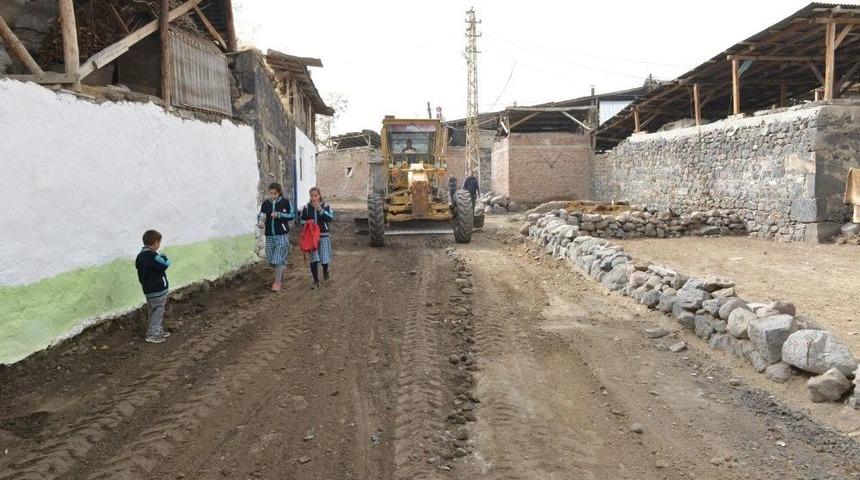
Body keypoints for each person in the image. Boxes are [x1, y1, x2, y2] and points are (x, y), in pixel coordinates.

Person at [135, 230, 172, 344]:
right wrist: (164, 257)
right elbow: (165, 264)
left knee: (153, 311)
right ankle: (152, 334)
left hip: (148, 289)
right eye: (159, 242)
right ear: (155, 242)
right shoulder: (152, 255)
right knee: (158, 311)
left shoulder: (140, 256)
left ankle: (157, 330)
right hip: (157, 289)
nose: (159, 245)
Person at [258, 182, 294, 292]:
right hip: (269, 235)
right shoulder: (265, 204)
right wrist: (261, 223)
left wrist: (279, 215)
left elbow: (292, 215)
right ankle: (281, 273)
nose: (273, 196)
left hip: (282, 235)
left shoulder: (285, 202)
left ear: (279, 193)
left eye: (275, 193)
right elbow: (262, 215)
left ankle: (277, 283)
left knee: (277, 259)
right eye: (271, 193)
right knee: (271, 260)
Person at [300, 187, 335, 289]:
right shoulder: (307, 207)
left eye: (315, 195)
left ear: (319, 195)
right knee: (313, 260)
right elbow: (301, 220)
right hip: (311, 238)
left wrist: (320, 210)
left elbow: (331, 218)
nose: (313, 198)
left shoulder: (326, 206)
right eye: (311, 196)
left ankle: (325, 269)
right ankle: (316, 281)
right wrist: (307, 222)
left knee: (324, 258)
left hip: (323, 236)